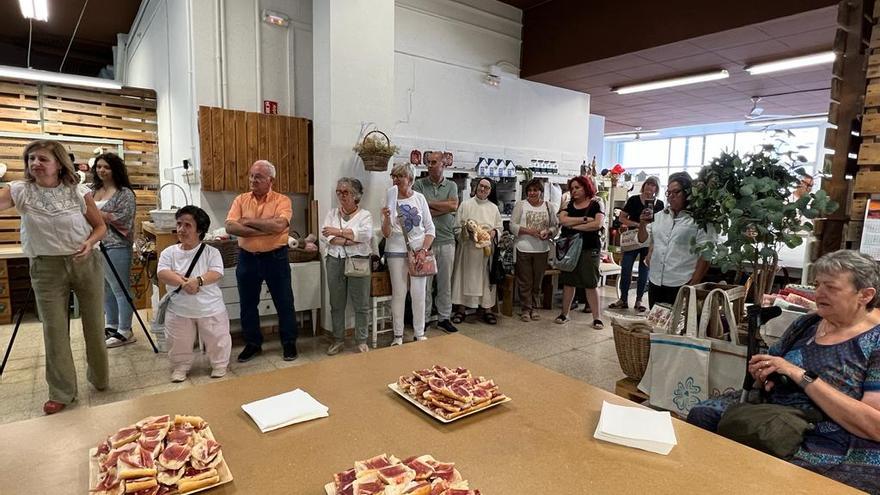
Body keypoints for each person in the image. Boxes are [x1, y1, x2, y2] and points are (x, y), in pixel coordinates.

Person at [687, 250, 880, 494]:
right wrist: (766, 373)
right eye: (818, 284)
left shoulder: (875, 340)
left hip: (830, 430)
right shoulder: (808, 323)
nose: (819, 293)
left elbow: (874, 425)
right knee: (702, 415)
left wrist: (801, 376)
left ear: (865, 295)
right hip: (778, 411)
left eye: (831, 287)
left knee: (783, 473)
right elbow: (773, 361)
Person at [0, 139, 108, 415]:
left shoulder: (77, 192)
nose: (35, 163)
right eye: (31, 159)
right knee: (54, 330)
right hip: (46, 268)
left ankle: (99, 377)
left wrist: (89, 243)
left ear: (59, 164)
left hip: (86, 262)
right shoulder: (20, 190)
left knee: (95, 324)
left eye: (42, 159)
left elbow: (100, 227)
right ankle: (62, 391)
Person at [226, 160, 298, 362]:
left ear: (270, 180)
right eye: (251, 175)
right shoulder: (240, 200)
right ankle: (253, 343)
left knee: (284, 302)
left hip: (276, 257)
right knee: (248, 304)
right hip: (247, 258)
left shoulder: (282, 200)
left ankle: (289, 342)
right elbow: (230, 227)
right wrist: (264, 228)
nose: (253, 180)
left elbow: (279, 225)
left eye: (258, 176)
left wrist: (247, 222)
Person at [157, 206, 230, 382]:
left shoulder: (211, 252)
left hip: (210, 307)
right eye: (179, 224)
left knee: (217, 338)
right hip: (179, 308)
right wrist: (185, 283)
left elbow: (216, 272)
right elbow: (162, 273)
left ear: (200, 230)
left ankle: (219, 364)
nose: (181, 229)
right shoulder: (169, 252)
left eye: (188, 225)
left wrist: (198, 281)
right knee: (178, 340)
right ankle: (180, 367)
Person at [637, 171, 716, 307]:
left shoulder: (699, 220)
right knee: (656, 325)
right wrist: (642, 224)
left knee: (678, 325)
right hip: (656, 280)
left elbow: (706, 254)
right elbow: (642, 239)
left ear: (687, 193)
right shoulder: (660, 216)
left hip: (681, 281)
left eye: (676, 192)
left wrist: (695, 282)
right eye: (669, 193)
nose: (671, 197)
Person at [382, 163, 436, 346]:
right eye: (394, 176)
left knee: (419, 293)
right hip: (396, 250)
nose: (396, 180)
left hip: (419, 251)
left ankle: (419, 332)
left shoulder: (419, 198)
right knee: (398, 293)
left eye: (400, 176)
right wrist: (386, 218)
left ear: (410, 180)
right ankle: (398, 335)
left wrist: (423, 251)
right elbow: (386, 233)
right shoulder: (390, 197)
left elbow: (430, 229)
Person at [320, 177, 373, 354]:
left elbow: (365, 236)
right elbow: (326, 236)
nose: (342, 195)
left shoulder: (365, 215)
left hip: (359, 260)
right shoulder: (332, 213)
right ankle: (338, 339)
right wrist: (349, 237)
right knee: (336, 303)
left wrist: (338, 233)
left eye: (346, 192)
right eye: (339, 192)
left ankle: (362, 340)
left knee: (361, 304)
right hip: (334, 260)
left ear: (356, 195)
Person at [91, 152, 138, 348]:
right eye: (99, 166)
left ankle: (125, 330)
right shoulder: (93, 191)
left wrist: (97, 213)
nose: (102, 170)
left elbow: (123, 219)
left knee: (120, 288)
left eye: (106, 167)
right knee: (106, 289)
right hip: (96, 245)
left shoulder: (124, 193)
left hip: (117, 246)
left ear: (115, 170)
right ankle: (112, 325)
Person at [413, 152, 459, 334]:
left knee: (444, 282)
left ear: (443, 164)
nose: (430, 165)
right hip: (425, 243)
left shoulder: (452, 185)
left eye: (434, 162)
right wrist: (443, 206)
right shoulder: (418, 184)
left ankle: (444, 318)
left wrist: (429, 205)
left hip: (447, 240)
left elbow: (454, 206)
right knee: (425, 284)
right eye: (428, 163)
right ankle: (423, 319)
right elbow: (419, 212)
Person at [451, 177, 503, 325]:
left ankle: (487, 310)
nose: (483, 189)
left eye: (487, 188)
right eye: (481, 186)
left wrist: (492, 233)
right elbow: (456, 228)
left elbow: (499, 228)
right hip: (468, 249)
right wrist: (467, 230)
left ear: (490, 191)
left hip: (486, 252)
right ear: (476, 187)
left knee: (486, 280)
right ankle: (461, 310)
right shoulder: (465, 205)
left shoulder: (493, 208)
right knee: (463, 278)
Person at [555, 175, 605, 328]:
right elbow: (562, 220)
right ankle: (565, 313)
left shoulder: (596, 204)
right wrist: (584, 220)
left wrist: (573, 226)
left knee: (590, 282)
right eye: (572, 188)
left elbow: (597, 224)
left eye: (578, 187)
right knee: (569, 281)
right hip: (570, 247)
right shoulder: (568, 205)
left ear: (586, 187)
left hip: (589, 248)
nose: (574, 191)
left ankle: (597, 317)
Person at [608, 176, 663, 313]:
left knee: (645, 270)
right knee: (626, 267)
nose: (650, 187)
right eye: (648, 184)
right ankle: (623, 298)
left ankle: (639, 300)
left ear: (657, 188)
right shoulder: (633, 200)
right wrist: (638, 224)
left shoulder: (659, 204)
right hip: (632, 238)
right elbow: (622, 218)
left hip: (648, 239)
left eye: (653, 185)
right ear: (644, 186)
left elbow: (660, 222)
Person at [510, 178, 557, 322]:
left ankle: (535, 307)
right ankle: (526, 308)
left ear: (541, 192)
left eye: (535, 190)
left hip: (541, 250)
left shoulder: (549, 206)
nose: (532, 193)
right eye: (529, 190)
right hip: (523, 248)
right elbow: (512, 226)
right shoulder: (520, 205)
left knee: (537, 281)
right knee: (525, 281)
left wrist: (548, 232)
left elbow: (555, 227)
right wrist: (529, 231)